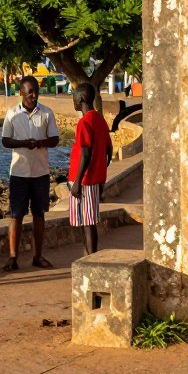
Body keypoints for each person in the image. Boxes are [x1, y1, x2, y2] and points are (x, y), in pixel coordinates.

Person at [1, 74, 59, 271]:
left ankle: (38, 256)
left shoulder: (47, 113)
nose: (34, 96)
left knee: (39, 214)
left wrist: (40, 143)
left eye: (36, 92)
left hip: (40, 172)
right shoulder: (11, 114)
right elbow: (5, 140)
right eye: (30, 93)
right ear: (21, 93)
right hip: (19, 172)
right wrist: (25, 143)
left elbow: (55, 139)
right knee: (16, 214)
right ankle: (12, 257)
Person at [68, 82, 113, 255]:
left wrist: (78, 181)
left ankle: (90, 257)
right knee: (89, 220)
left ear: (80, 99)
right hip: (95, 178)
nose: (72, 101)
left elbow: (85, 154)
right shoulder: (99, 119)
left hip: (84, 180)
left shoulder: (84, 122)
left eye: (74, 97)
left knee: (86, 223)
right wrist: (101, 169)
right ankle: (88, 255)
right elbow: (109, 150)